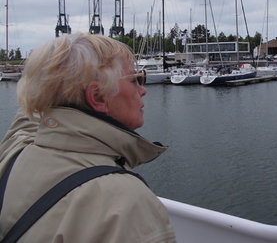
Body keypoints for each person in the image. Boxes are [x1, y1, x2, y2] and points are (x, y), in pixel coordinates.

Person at [0, 33, 176, 242]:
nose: (143, 90)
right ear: (99, 96)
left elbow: (31, 115)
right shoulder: (125, 202)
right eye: (136, 79)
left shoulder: (15, 152)